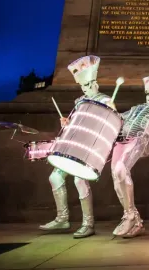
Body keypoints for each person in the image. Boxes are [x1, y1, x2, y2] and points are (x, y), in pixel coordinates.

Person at [39, 55, 115, 238]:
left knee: (79, 180)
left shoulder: (106, 100)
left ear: (96, 83)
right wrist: (67, 123)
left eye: (90, 84)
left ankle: (88, 224)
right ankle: (62, 218)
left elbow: (112, 123)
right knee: (55, 177)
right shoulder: (79, 102)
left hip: (91, 147)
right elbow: (75, 124)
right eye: (83, 85)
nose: (87, 88)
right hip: (73, 145)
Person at [111, 66, 149, 238]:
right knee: (117, 180)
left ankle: (129, 215)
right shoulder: (136, 108)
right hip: (120, 142)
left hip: (138, 140)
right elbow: (118, 118)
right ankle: (136, 222)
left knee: (120, 170)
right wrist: (111, 108)